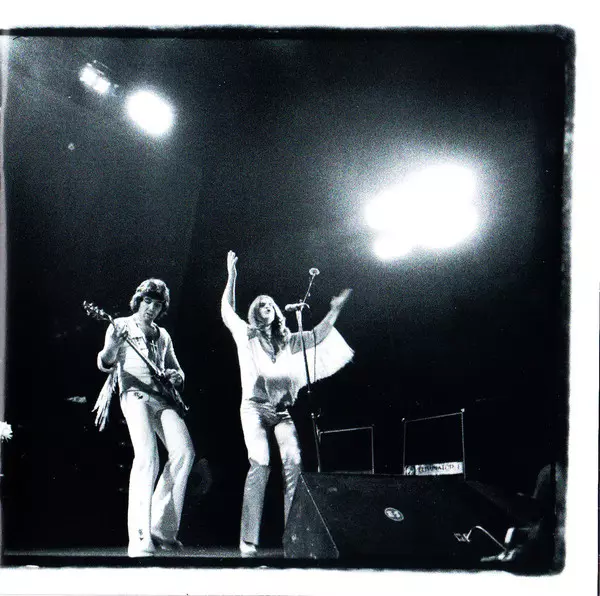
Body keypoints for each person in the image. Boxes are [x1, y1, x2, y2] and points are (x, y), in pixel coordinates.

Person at [221, 250, 353, 557]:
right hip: (253, 408)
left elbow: (318, 335)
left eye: (270, 304)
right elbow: (227, 309)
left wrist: (334, 310)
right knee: (260, 462)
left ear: (276, 311)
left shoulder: (289, 340)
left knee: (293, 462)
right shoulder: (246, 335)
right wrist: (232, 276)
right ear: (254, 313)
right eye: (260, 305)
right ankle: (248, 539)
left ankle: (291, 535)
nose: (266, 307)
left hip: (281, 412)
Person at [95, 279, 195, 558]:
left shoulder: (163, 335)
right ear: (138, 300)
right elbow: (105, 362)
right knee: (147, 457)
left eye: (157, 304)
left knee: (185, 452)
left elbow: (176, 370)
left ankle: (162, 528)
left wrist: (177, 377)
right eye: (147, 301)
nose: (151, 308)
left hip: (162, 399)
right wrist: (112, 345)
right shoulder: (120, 325)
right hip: (134, 394)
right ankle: (140, 538)